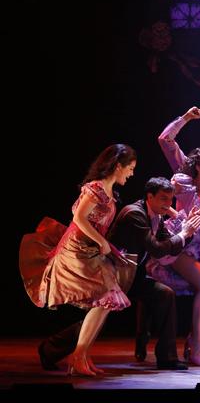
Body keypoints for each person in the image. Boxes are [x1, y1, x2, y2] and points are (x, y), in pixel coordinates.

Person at [19, 144, 137, 376]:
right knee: (105, 298)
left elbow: (97, 229)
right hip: (76, 249)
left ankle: (81, 356)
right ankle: (78, 356)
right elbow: (80, 218)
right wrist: (102, 243)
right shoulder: (95, 188)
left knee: (106, 301)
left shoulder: (112, 194)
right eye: (130, 168)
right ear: (117, 166)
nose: (131, 173)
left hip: (90, 249)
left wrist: (110, 248)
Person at [146, 147, 200, 366]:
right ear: (198, 167)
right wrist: (180, 216)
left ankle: (193, 343)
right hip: (180, 242)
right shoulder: (184, 184)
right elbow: (161, 201)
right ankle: (196, 341)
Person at [107, 177, 200, 370]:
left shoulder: (157, 216)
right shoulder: (135, 214)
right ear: (149, 196)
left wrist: (188, 229)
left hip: (132, 277)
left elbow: (171, 247)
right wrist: (183, 233)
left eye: (170, 200)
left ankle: (167, 357)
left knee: (164, 294)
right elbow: (158, 249)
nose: (168, 205)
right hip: (113, 277)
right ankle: (51, 349)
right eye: (163, 199)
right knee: (96, 317)